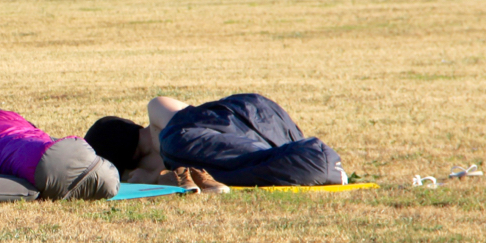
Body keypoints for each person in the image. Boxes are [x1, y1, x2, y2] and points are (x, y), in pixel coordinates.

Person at [85, 94, 347, 189]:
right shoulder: (163, 116)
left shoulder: (177, 144)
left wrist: (152, 178)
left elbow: (315, 161)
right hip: (266, 114)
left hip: (305, 152)